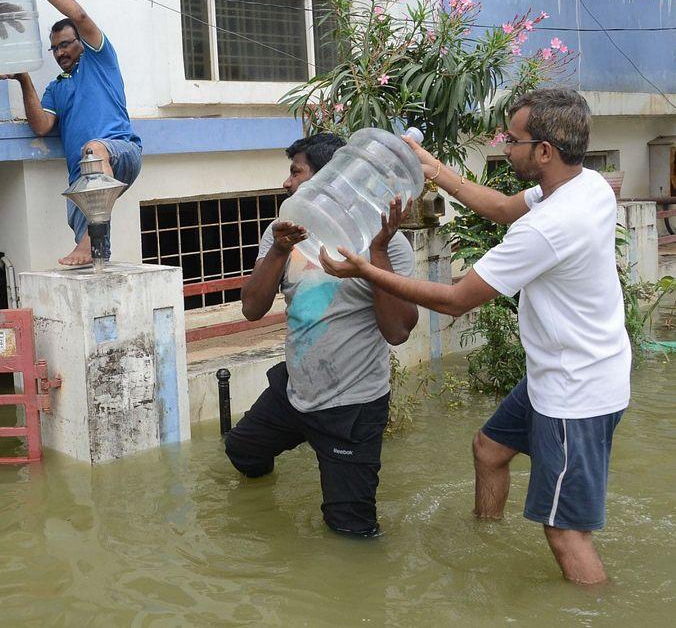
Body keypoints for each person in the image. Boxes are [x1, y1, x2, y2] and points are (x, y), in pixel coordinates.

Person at [320, 88, 629, 584]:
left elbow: (456, 299)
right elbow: (505, 208)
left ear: (544, 151)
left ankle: (591, 608)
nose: (505, 147)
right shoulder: (584, 184)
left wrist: (365, 269)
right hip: (565, 371)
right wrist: (431, 167)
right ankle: (488, 541)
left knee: (565, 532)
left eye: (514, 139)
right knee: (489, 449)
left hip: (576, 392)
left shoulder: (551, 225)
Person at [224, 132, 418, 537]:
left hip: (352, 403)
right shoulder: (284, 233)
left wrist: (377, 254)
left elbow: (398, 331)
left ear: (330, 179)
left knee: (351, 529)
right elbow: (251, 309)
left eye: (296, 172)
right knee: (242, 451)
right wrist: (278, 251)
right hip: (296, 388)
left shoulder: (387, 244)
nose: (287, 182)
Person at [0, 0, 142, 266]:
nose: (60, 52)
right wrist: (23, 79)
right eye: (55, 48)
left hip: (120, 152)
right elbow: (42, 125)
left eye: (66, 44)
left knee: (93, 151)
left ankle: (88, 240)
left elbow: (80, 17)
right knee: (97, 260)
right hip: (79, 181)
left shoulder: (100, 61)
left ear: (81, 43)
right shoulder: (56, 87)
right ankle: (94, 255)